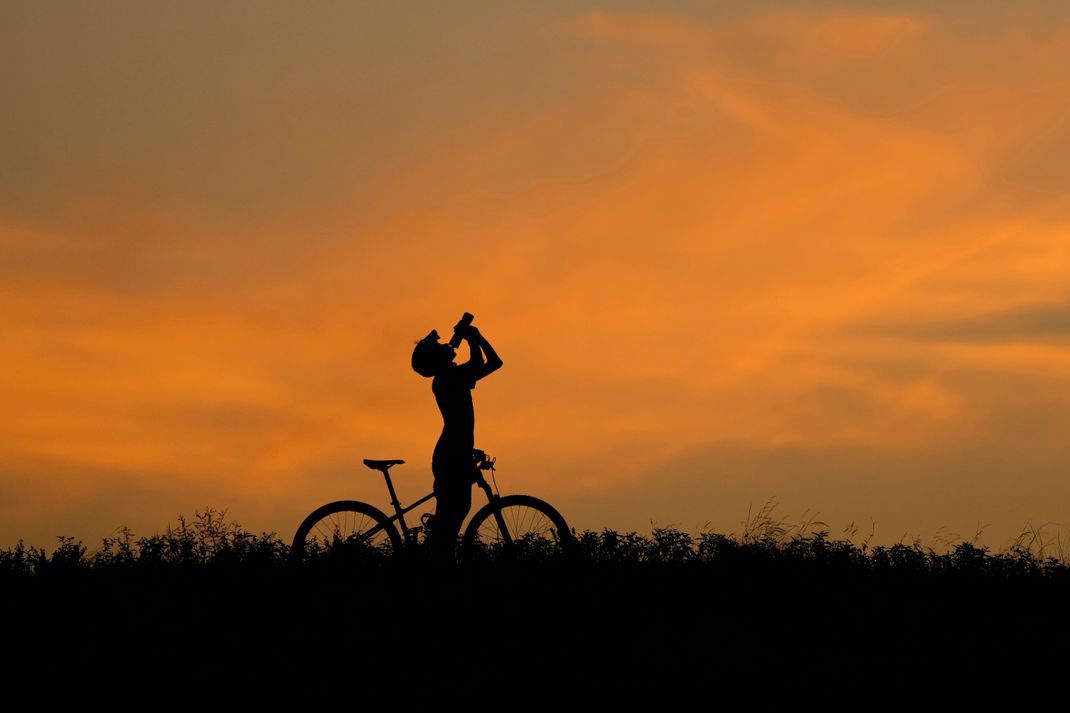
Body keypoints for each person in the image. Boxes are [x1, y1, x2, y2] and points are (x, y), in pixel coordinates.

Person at [411, 321, 503, 563]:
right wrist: (474, 338)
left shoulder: (450, 377)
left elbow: (494, 363)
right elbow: (479, 363)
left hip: (454, 451)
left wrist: (476, 338)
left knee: (455, 512)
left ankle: (438, 561)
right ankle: (437, 564)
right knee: (453, 514)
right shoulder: (449, 377)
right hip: (452, 454)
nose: (446, 346)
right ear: (437, 360)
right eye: (440, 346)